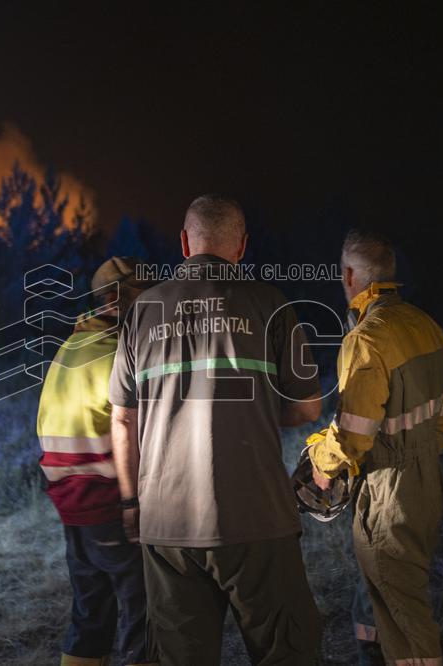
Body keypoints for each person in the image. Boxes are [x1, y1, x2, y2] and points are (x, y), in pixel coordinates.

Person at [108, 194, 323, 665]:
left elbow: (123, 417)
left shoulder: (141, 314)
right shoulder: (271, 304)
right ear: (242, 247)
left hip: (168, 525)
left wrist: (130, 503)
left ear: (184, 243)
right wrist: (263, 413)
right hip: (258, 518)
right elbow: (308, 408)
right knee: (286, 652)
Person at [308, 229, 443, 666]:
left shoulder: (367, 338)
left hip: (387, 490)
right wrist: (419, 457)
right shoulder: (427, 326)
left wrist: (322, 462)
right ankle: (371, 656)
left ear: (350, 275)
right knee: (384, 596)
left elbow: (353, 432)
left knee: (405, 617)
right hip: (426, 480)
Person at [37, 256, 157, 666]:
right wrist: (131, 503)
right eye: (145, 296)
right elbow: (132, 428)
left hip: (73, 505)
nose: (154, 305)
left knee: (91, 616)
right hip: (109, 503)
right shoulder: (118, 354)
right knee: (145, 616)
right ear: (112, 299)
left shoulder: (70, 348)